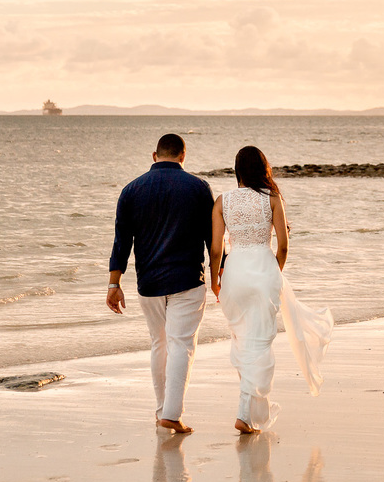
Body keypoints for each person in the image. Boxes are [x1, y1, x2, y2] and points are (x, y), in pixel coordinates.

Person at [210, 145, 333, 434]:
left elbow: (216, 249)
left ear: (237, 171)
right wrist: (273, 272)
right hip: (264, 272)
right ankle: (245, 414)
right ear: (263, 169)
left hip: (234, 275)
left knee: (242, 340)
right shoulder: (273, 199)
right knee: (260, 343)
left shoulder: (221, 202)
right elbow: (284, 246)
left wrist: (215, 280)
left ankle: (251, 411)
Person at [107, 133, 215, 434]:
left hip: (149, 282)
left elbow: (121, 242)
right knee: (182, 345)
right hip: (187, 280)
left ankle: (161, 411)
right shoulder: (198, 187)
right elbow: (212, 239)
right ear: (183, 155)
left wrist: (113, 284)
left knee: (160, 344)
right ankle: (172, 412)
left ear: (154, 155)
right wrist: (219, 274)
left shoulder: (131, 190)